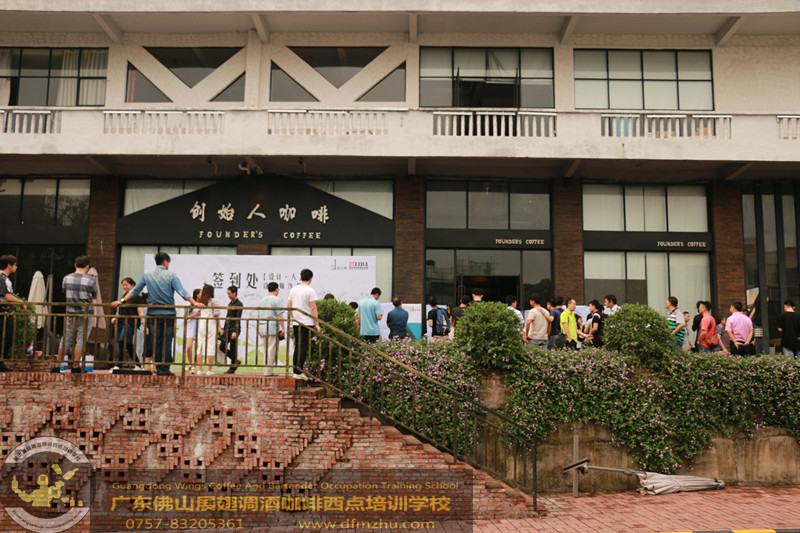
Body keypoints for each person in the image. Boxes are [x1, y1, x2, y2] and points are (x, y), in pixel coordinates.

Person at [113, 252, 203, 376]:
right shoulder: (171, 275)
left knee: (156, 341)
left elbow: (135, 290)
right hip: (168, 313)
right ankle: (165, 368)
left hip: (153, 314)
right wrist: (195, 303)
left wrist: (122, 301)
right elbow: (181, 291)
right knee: (167, 341)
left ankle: (159, 367)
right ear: (165, 262)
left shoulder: (147, 275)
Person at [57, 256, 98, 374]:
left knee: (66, 338)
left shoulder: (66, 278)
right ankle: (75, 366)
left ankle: (56, 366)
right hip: (86, 313)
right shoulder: (91, 280)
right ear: (87, 267)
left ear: (75, 265)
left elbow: (64, 292)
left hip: (70, 312)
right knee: (81, 339)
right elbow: (95, 296)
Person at [287, 269, 320, 379]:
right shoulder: (310, 290)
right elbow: (313, 308)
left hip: (296, 323)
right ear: (311, 279)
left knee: (298, 346)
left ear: (301, 277)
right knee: (303, 347)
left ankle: (295, 370)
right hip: (307, 323)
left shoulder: (293, 289)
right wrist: (317, 323)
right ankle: (299, 371)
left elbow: (289, 306)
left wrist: (294, 317)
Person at [111, 277, 147, 369]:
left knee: (122, 341)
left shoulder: (136, 297)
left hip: (130, 322)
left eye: (126, 285)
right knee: (126, 344)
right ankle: (138, 364)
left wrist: (144, 324)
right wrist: (115, 317)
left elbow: (140, 312)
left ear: (133, 285)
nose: (124, 287)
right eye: (123, 285)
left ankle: (119, 365)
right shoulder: (123, 296)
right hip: (121, 322)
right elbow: (120, 310)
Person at [0, 254, 26, 371]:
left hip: (5, 312)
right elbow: (8, 297)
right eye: (15, 265)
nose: (16, 267)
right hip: (3, 313)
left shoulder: (4, 278)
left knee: (6, 337)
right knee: (6, 337)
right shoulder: (2, 278)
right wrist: (21, 302)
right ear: (9, 265)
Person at [257, 282, 286, 376]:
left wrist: (258, 329)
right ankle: (268, 372)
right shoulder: (276, 300)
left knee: (266, 350)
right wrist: (283, 328)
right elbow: (280, 315)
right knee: (271, 350)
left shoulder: (261, 300)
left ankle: (266, 370)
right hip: (272, 327)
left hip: (263, 327)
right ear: (277, 289)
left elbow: (259, 316)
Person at [195, 285, 220, 375]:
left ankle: (200, 369)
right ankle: (209, 370)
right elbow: (216, 315)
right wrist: (219, 327)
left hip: (202, 324)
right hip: (211, 325)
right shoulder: (214, 301)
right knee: (211, 346)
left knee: (200, 347)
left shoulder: (201, 301)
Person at [220, 285, 244, 374]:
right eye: (227, 294)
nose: (228, 295)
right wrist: (223, 329)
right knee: (222, 346)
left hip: (234, 329)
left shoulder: (239, 304)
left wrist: (235, 331)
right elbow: (227, 317)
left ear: (235, 293)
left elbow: (238, 318)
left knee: (233, 348)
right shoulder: (230, 303)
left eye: (229, 294)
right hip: (228, 329)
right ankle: (235, 361)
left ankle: (232, 367)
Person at [184, 288, 201, 373]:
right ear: (197, 294)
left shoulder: (202, 304)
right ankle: (189, 363)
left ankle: (194, 365)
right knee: (189, 347)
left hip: (199, 326)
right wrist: (195, 314)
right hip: (191, 326)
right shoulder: (189, 304)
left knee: (198, 348)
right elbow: (185, 317)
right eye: (200, 293)